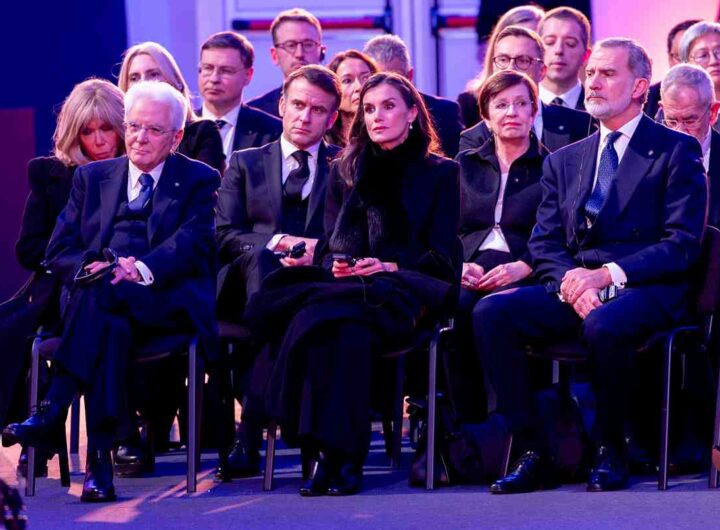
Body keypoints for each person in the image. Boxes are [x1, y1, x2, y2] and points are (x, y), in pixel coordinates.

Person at [473, 38, 706, 494]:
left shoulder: (676, 150)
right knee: (491, 313)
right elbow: (544, 242)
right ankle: (534, 450)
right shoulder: (566, 159)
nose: (592, 82)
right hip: (577, 284)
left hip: (647, 285)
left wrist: (605, 277)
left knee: (604, 324)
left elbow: (681, 244)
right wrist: (569, 284)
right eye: (591, 73)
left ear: (640, 86)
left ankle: (610, 448)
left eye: (607, 73)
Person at [2, 81, 221, 503]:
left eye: (154, 130)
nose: (139, 138)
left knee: (101, 301)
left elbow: (193, 243)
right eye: (135, 126)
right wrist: (95, 266)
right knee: (109, 321)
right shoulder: (92, 177)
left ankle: (53, 408)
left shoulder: (197, 178)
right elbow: (58, 249)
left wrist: (138, 268)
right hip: (102, 300)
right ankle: (100, 462)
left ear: (175, 137)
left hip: (162, 297)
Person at [244, 71, 459, 496]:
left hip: (406, 290)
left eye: (389, 106)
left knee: (325, 321)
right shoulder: (345, 168)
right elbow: (329, 247)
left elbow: (442, 257)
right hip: (350, 291)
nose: (377, 116)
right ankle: (339, 458)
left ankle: (331, 457)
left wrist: (389, 266)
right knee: (340, 330)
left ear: (413, 112)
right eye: (369, 108)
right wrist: (341, 265)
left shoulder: (441, 173)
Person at [214, 65, 342, 477]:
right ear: (282, 105)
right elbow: (223, 234)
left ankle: (250, 432)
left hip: (316, 283)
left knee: (297, 305)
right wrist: (276, 244)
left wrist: (315, 251)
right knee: (264, 264)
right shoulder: (245, 162)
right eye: (299, 105)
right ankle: (295, 432)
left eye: (318, 110)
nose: (305, 116)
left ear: (332, 118)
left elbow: (353, 238)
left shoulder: (345, 167)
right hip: (248, 289)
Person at [0, 79, 125, 476]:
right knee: (90, 321)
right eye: (88, 131)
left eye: (107, 128)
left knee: (104, 320)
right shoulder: (52, 173)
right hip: (59, 287)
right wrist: (76, 264)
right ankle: (102, 446)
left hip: (122, 286)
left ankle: (49, 420)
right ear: (74, 132)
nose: (99, 140)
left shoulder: (139, 173)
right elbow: (29, 247)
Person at [450, 70, 547, 423]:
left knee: (495, 310)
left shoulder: (555, 166)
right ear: (486, 115)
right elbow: (442, 228)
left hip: (524, 268)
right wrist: (456, 265)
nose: (512, 112)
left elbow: (561, 234)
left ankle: (512, 421)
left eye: (521, 104)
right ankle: (469, 426)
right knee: (458, 306)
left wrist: (526, 265)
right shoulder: (463, 165)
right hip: (469, 267)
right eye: (501, 105)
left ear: (533, 111)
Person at [458, 26, 593, 154]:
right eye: (503, 60)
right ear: (493, 67)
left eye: (523, 61)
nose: (510, 68)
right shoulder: (473, 138)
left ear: (542, 71)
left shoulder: (582, 125)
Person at [118, 41, 226, 173]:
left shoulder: (201, 133)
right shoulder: (116, 136)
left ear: (176, 83)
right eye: (134, 78)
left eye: (154, 74)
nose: (144, 83)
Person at [363, 34, 465, 157]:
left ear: (410, 76)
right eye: (377, 79)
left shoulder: (445, 113)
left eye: (394, 80)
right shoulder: (356, 115)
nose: (385, 87)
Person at [197, 31, 282, 164]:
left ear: (248, 75)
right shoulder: (181, 129)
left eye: (226, 71)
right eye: (208, 68)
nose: (214, 79)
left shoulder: (273, 132)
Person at [459, 4, 545, 127]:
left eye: (524, 59)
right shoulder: (469, 105)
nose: (512, 67)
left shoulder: (557, 106)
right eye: (505, 58)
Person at [660, 63, 720, 226]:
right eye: (671, 121)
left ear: (713, 112)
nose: (680, 132)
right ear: (662, 109)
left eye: (690, 121)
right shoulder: (645, 159)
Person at [247, 8, 326, 117]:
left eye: (308, 44)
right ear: (274, 55)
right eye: (291, 45)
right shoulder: (254, 113)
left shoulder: (339, 107)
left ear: (321, 51)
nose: (299, 54)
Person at [644, 19, 700, 119]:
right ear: (670, 59)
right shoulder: (648, 99)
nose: (687, 64)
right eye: (680, 57)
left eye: (699, 56)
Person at [538, 7, 591, 110]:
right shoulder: (520, 107)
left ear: (586, 55)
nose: (559, 50)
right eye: (550, 42)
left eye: (570, 44)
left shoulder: (600, 112)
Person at [325, 50, 378, 147]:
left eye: (365, 78)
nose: (359, 87)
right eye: (347, 81)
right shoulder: (322, 143)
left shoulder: (385, 138)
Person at [681, 21, 720, 133]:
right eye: (703, 55)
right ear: (687, 64)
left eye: (719, 52)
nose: (714, 61)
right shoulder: (673, 114)